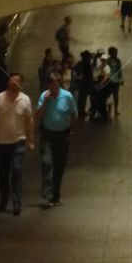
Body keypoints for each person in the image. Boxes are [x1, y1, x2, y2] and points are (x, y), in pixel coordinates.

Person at [0, 71, 34, 214]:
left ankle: (17, 203)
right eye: (12, 79)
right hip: (1, 142)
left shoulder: (25, 100)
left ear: (21, 83)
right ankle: (3, 200)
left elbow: (29, 120)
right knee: (3, 174)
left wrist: (30, 139)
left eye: (17, 80)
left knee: (17, 170)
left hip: (18, 141)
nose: (14, 82)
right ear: (8, 82)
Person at [35, 72, 78, 207]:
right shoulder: (44, 96)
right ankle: (46, 196)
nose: (52, 86)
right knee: (46, 162)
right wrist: (45, 102)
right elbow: (37, 114)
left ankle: (56, 194)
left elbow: (73, 114)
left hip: (62, 135)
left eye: (54, 83)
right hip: (47, 134)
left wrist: (71, 130)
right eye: (50, 83)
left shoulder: (67, 96)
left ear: (59, 83)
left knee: (59, 166)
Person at [73, 49, 93, 119]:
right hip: (85, 83)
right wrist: (78, 77)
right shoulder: (86, 64)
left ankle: (81, 111)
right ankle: (82, 111)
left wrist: (77, 78)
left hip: (83, 83)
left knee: (82, 97)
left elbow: (74, 71)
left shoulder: (80, 63)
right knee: (83, 97)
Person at [106, 46, 123, 116]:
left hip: (116, 81)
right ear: (111, 53)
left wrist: (121, 79)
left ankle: (115, 110)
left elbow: (120, 70)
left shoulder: (118, 60)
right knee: (108, 95)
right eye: (115, 52)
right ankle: (109, 109)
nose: (116, 54)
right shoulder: (108, 61)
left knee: (116, 96)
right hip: (109, 80)